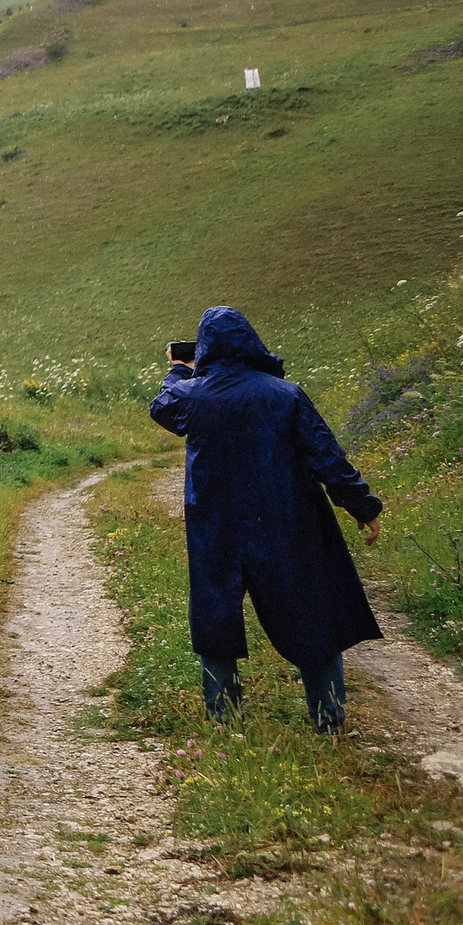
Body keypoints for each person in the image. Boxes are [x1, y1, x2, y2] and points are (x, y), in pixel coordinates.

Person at [150, 305, 383, 732]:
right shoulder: (285, 394)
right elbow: (327, 457)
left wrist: (181, 369)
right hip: (287, 522)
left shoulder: (193, 396)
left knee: (216, 614)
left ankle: (224, 718)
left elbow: (162, 406)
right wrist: (363, 507)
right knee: (311, 610)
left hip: (215, 528)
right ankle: (328, 719)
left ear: (206, 347)